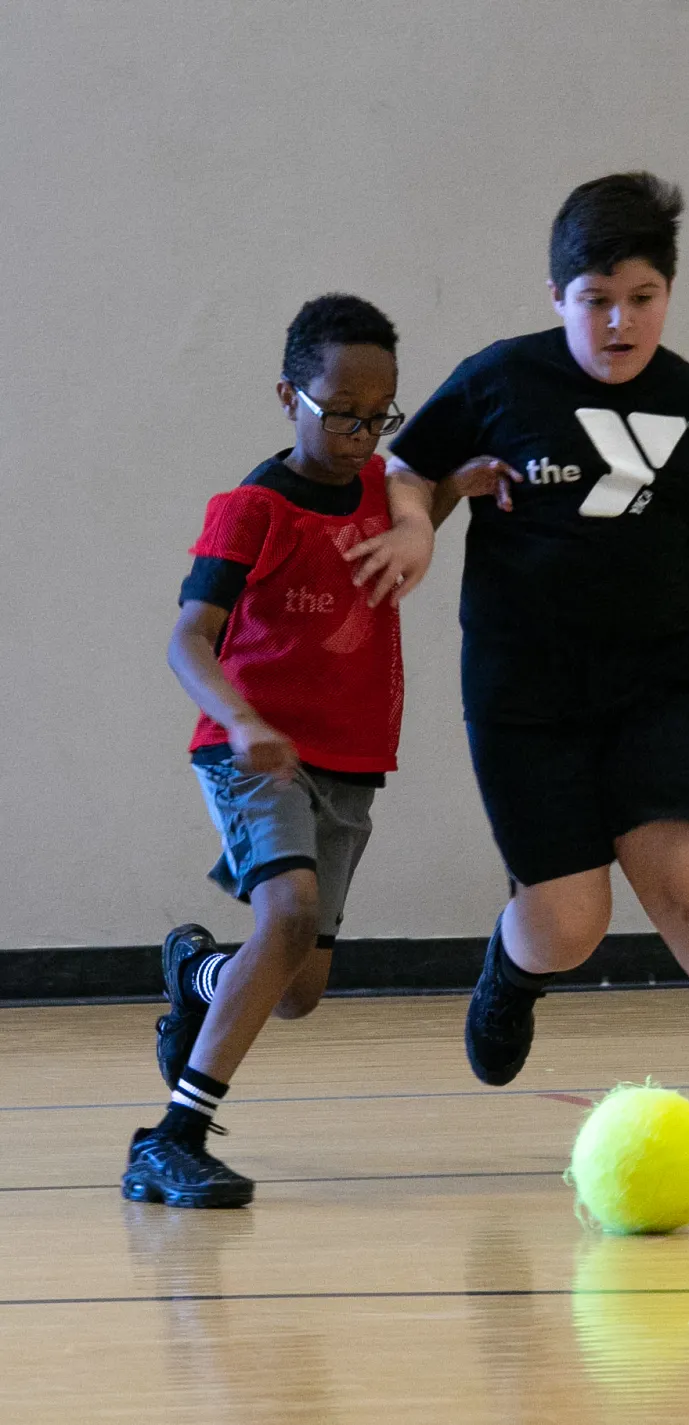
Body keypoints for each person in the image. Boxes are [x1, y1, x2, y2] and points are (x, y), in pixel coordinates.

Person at [345, 174, 689, 1185]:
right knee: (572, 927)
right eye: (595, 299)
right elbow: (407, 463)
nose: (620, 322)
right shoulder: (500, 380)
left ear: (668, 293)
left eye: (642, 297)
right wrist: (414, 524)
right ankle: (509, 970)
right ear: (556, 296)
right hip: (522, 699)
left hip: (655, 690)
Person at [122, 294, 441, 1208]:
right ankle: (170, 1137)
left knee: (297, 986)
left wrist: (470, 483)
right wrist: (243, 720)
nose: (359, 433)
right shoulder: (252, 510)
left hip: (349, 763)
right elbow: (189, 638)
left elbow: (439, 475)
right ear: (288, 396)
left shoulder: (388, 494)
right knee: (290, 909)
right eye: (341, 412)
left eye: (378, 416)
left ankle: (198, 971)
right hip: (252, 751)